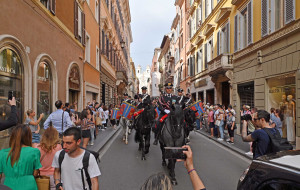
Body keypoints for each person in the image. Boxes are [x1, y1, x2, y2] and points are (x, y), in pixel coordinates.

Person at [0, 124, 42, 190]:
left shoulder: (2, 153)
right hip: (29, 186)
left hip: (8, 186)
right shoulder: (34, 152)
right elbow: (35, 173)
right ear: (28, 136)